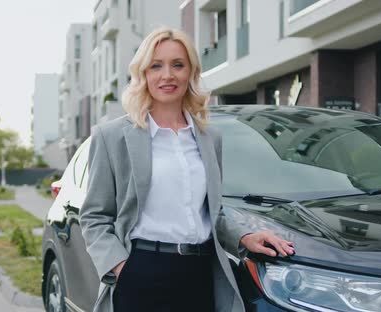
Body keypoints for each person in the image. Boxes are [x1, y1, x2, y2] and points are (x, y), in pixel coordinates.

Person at [79, 27, 294, 312]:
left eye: (177, 65)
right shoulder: (112, 137)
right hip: (141, 271)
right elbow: (94, 216)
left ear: (190, 72)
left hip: (199, 272)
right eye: (156, 66)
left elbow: (211, 213)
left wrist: (244, 236)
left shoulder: (209, 137)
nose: (167, 75)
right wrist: (121, 268)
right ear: (143, 73)